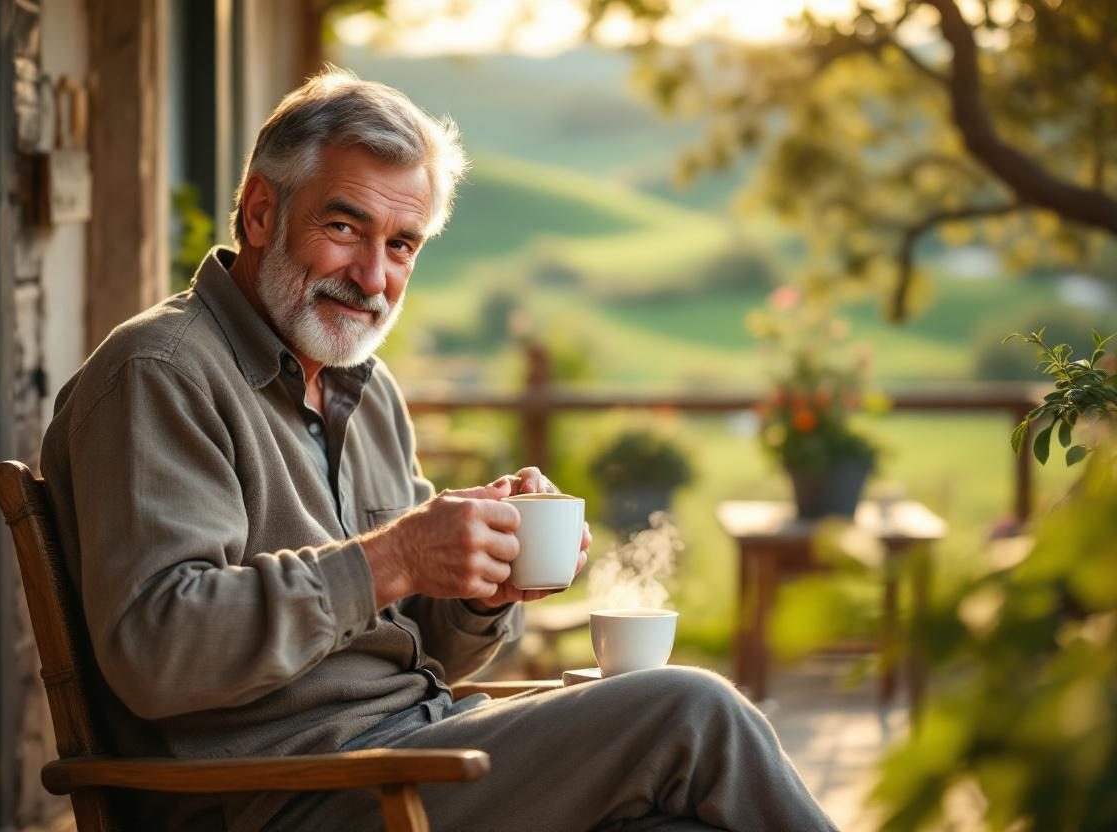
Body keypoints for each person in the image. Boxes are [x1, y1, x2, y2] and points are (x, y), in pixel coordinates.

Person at [41, 68, 838, 832]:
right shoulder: (161, 374)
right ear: (259, 214)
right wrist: (393, 557)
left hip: (415, 756)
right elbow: (158, 651)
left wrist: (479, 589)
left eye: (402, 245)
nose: (373, 277)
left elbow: (424, 654)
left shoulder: (365, 389)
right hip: (286, 798)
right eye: (345, 228)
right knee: (692, 710)